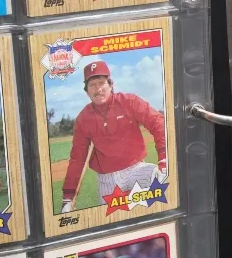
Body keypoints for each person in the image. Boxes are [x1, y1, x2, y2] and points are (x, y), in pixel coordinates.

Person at [60, 60, 167, 213]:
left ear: (111, 84)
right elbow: (77, 158)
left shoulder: (129, 101)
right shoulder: (83, 119)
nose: (98, 89)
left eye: (101, 83)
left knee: (162, 182)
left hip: (136, 169)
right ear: (86, 91)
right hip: (107, 179)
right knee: (110, 220)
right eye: (92, 85)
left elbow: (157, 122)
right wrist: (68, 197)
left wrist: (164, 159)